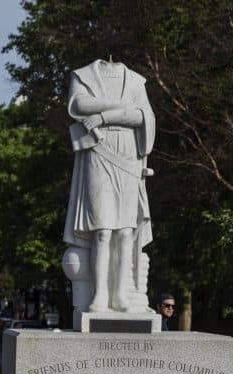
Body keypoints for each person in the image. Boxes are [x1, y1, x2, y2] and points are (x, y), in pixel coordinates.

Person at [64, 58, 155, 313]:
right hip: (98, 150)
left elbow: (142, 116)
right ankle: (100, 293)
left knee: (125, 231)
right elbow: (79, 104)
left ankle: (119, 293)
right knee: (102, 230)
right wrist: (121, 108)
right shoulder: (82, 74)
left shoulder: (137, 81)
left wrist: (103, 116)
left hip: (127, 153)